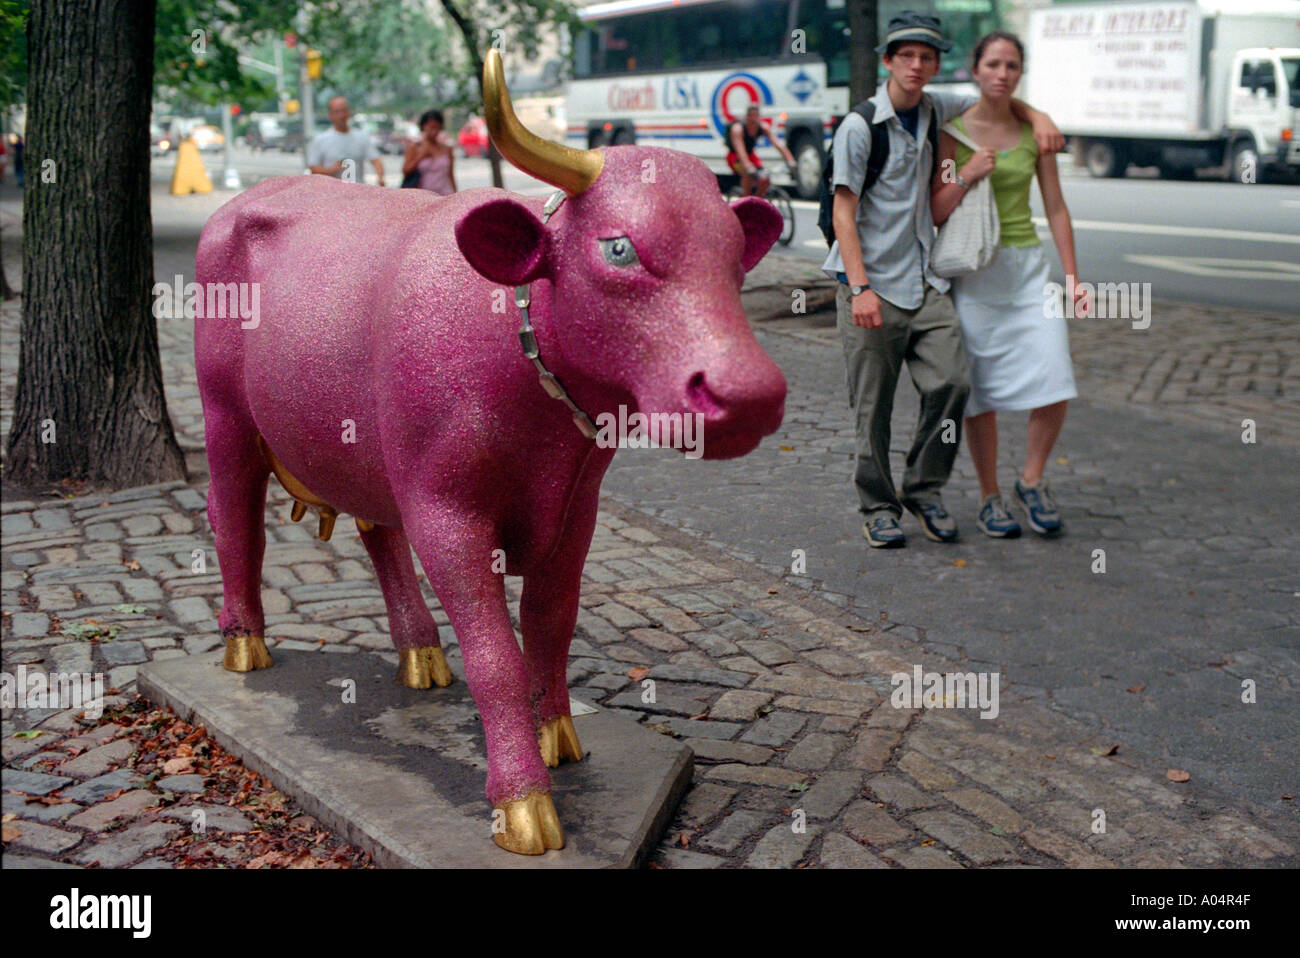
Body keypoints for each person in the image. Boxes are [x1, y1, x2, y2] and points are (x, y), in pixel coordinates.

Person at [825, 10, 1064, 549]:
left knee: (953, 382)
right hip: (871, 285)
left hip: (924, 281)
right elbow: (843, 212)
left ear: (935, 65)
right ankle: (879, 506)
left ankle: (924, 487)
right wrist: (859, 288)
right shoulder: (859, 126)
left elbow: (996, 96)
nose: (916, 64)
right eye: (906, 55)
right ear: (887, 61)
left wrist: (1040, 114)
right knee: (874, 407)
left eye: (926, 57)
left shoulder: (938, 108)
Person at [931, 31, 1083, 538]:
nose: (1002, 73)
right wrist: (968, 172)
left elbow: (1056, 206)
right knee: (983, 391)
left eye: (1011, 66)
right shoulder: (953, 132)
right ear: (975, 69)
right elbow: (937, 205)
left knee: (1055, 374)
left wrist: (1073, 276)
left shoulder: (1033, 132)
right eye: (993, 64)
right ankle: (989, 496)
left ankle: (1032, 481)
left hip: (1027, 270)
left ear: (1020, 74)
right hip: (977, 273)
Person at [307, 96, 385, 186]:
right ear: (330, 115)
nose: (341, 115)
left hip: (357, 192)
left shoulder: (361, 137)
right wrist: (330, 170)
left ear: (349, 113)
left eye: (344, 111)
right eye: (337, 112)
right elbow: (313, 168)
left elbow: (375, 160)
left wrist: (380, 177)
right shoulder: (321, 140)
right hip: (331, 193)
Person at [726, 106, 795, 198]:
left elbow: (778, 143)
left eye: (755, 116)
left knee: (764, 179)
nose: (753, 119)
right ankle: (746, 199)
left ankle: (758, 201)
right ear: (747, 116)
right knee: (747, 174)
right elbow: (740, 150)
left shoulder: (763, 127)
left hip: (751, 155)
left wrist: (790, 160)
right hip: (735, 157)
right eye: (751, 116)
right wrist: (748, 166)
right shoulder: (738, 129)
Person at [402, 109, 456, 195]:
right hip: (423, 196)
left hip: (445, 194)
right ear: (423, 127)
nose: (433, 131)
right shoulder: (415, 147)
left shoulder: (446, 149)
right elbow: (406, 171)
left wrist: (455, 195)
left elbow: (450, 175)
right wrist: (421, 156)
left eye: (436, 128)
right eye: (430, 127)